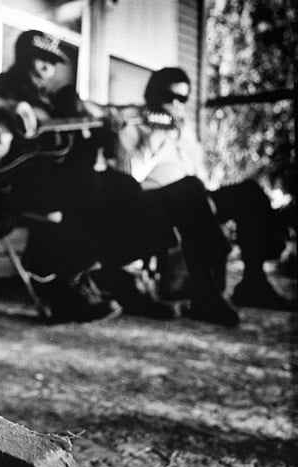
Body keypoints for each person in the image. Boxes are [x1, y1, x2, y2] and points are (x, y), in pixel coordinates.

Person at [0, 30, 235, 325]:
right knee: (96, 186)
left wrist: (108, 130)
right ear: (21, 57)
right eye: (38, 58)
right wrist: (8, 106)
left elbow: (85, 145)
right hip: (14, 185)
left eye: (52, 62)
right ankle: (81, 283)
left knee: (174, 190)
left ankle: (191, 291)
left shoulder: (56, 104)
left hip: (64, 187)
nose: (45, 68)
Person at [117, 66, 294, 311]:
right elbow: (129, 178)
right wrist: (158, 135)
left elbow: (198, 172)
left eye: (182, 99)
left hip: (192, 197)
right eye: (169, 97)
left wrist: (207, 194)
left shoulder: (185, 129)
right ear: (153, 95)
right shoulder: (132, 124)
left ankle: (254, 283)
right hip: (154, 202)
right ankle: (206, 296)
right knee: (190, 189)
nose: (176, 104)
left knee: (247, 192)